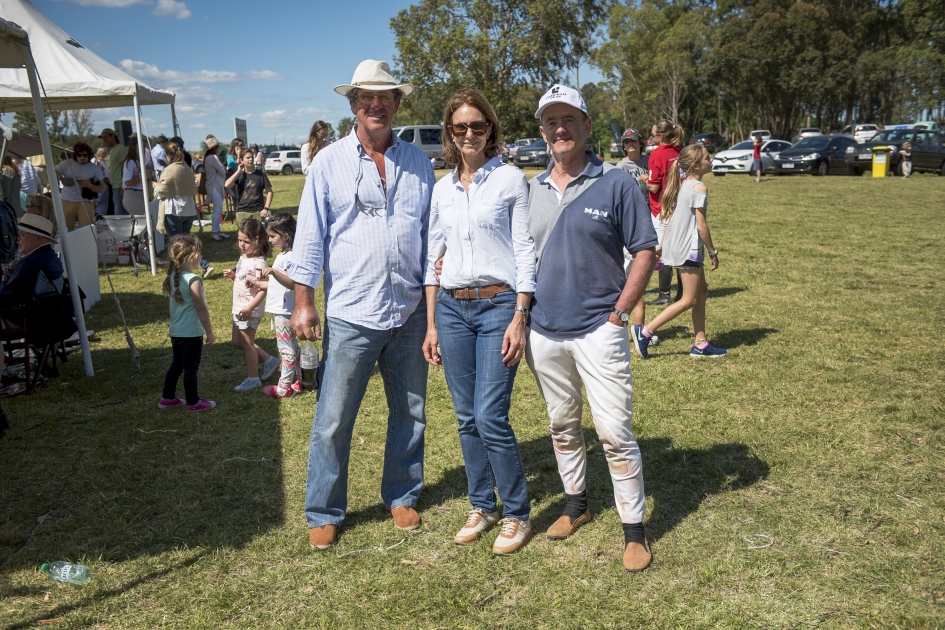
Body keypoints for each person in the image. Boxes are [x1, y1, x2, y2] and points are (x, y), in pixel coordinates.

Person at [288, 59, 434, 550]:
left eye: (385, 96)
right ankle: (324, 510)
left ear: (396, 104)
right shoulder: (328, 162)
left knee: (411, 411)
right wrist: (303, 302)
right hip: (352, 312)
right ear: (353, 104)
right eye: (366, 97)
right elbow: (310, 238)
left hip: (409, 310)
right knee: (333, 419)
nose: (376, 104)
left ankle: (402, 494)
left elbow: (430, 236)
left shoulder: (419, 163)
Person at [523, 84, 658, 572]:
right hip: (543, 330)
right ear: (542, 131)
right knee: (562, 425)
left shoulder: (617, 182)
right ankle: (576, 505)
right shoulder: (530, 189)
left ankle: (634, 531)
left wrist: (620, 311)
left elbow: (645, 250)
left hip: (600, 327)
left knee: (614, 432)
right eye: (551, 122)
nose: (560, 129)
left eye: (569, 120)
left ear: (586, 125)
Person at [422, 89, 536, 554]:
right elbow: (432, 256)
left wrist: (520, 314)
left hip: (498, 307)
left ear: (490, 129)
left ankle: (517, 513)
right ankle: (482, 506)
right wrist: (431, 324)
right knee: (466, 418)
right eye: (460, 126)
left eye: (477, 125)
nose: (469, 133)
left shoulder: (510, 179)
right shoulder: (442, 188)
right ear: (449, 132)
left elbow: (525, 248)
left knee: (490, 414)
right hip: (451, 309)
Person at [631, 145, 726, 359]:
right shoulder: (699, 188)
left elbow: (673, 216)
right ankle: (645, 332)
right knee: (689, 299)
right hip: (688, 249)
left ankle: (700, 343)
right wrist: (713, 252)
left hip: (683, 246)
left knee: (702, 292)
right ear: (696, 165)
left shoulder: (686, 184)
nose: (711, 160)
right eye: (707, 158)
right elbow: (701, 225)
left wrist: (662, 245)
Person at [159, 234, 216, 412]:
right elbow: (201, 309)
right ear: (190, 257)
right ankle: (193, 402)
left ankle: (167, 398)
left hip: (176, 331)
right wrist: (209, 331)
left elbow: (171, 308)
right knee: (191, 369)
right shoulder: (194, 280)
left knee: (177, 365)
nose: (201, 256)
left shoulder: (172, 277)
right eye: (199, 253)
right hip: (191, 333)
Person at [222, 217, 279, 391]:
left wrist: (249, 308)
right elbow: (244, 281)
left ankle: (253, 378)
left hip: (249, 310)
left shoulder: (259, 263)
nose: (242, 244)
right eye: (240, 240)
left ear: (258, 241)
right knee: (237, 341)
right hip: (239, 308)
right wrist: (234, 276)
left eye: (246, 241)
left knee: (247, 343)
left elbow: (263, 290)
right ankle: (269, 360)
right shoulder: (243, 257)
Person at [257, 212, 299, 398]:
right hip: (283, 308)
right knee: (293, 347)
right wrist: (258, 283)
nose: (269, 240)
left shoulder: (289, 257)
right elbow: (279, 284)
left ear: (286, 236)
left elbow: (292, 283)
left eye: (272, 236)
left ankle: (283, 387)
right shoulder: (285, 254)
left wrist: (274, 272)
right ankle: (301, 379)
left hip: (284, 310)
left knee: (286, 349)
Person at [645, 120, 684, 306]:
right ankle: (682, 291)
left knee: (663, 250)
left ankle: (664, 293)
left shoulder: (657, 154)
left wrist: (644, 179)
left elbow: (653, 187)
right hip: (679, 206)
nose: (651, 138)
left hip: (661, 208)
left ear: (660, 136)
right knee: (678, 249)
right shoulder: (680, 152)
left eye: (653, 135)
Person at [55, 143, 103, 230]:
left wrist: (89, 185)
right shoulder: (67, 163)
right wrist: (57, 175)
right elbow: (52, 171)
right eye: (79, 155)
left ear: (89, 155)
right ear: (75, 155)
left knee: (88, 230)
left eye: (85, 155)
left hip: (86, 201)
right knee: (65, 229)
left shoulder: (95, 168)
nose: (82, 157)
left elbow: (101, 189)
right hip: (67, 200)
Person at [155, 142, 198, 239]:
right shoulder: (187, 168)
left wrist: (156, 186)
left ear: (168, 155)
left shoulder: (169, 170)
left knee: (176, 243)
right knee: (185, 242)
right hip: (189, 209)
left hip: (174, 210)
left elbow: (161, 191)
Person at [225, 148, 273, 224]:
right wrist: (238, 171)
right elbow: (227, 185)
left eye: (252, 157)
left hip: (258, 212)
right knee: (244, 232)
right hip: (242, 212)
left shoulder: (261, 175)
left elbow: (270, 192)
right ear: (241, 160)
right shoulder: (240, 175)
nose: (251, 159)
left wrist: (266, 208)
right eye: (248, 158)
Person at [203, 137, 228, 241]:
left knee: (218, 209)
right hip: (215, 185)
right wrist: (222, 170)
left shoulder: (209, 157)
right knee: (217, 209)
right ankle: (214, 232)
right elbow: (222, 170)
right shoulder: (212, 157)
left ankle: (217, 231)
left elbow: (221, 170)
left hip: (215, 185)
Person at [99, 128, 128, 215]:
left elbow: (125, 167)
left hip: (119, 186)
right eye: (103, 138)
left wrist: (123, 187)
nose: (104, 140)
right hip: (115, 186)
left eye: (106, 137)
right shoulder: (112, 150)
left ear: (112, 136)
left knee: (120, 215)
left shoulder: (120, 149)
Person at [121, 141, 149, 216]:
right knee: (145, 219)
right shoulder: (129, 162)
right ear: (134, 148)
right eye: (141, 146)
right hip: (132, 193)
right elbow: (127, 182)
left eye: (144, 145)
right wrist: (144, 176)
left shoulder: (140, 162)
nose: (143, 148)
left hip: (140, 194)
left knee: (145, 220)